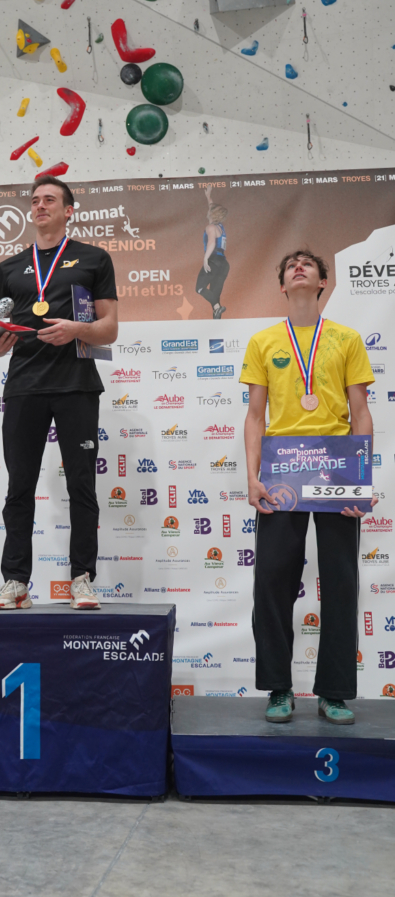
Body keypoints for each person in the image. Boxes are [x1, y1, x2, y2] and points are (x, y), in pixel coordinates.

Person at [241, 250, 376, 724]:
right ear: (282, 284)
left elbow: (360, 413)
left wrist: (360, 481)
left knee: (340, 581)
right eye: (290, 265)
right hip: (282, 471)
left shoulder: (346, 338)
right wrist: (253, 477)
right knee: (272, 580)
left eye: (307, 264)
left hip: (337, 470)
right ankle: (279, 687)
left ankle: (334, 692)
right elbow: (255, 416)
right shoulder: (263, 341)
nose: (298, 267)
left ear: (322, 281)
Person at [0, 175, 118, 611]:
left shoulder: (94, 259)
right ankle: (15, 582)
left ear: (68, 210)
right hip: (24, 385)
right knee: (18, 487)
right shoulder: (8, 268)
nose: (40, 206)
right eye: (35, 200)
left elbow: (109, 328)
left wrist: (77, 329)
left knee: (81, 485)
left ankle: (82, 578)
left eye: (49, 200)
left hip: (76, 384)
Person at [195, 184, 229, 319]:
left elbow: (211, 243)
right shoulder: (220, 226)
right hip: (223, 264)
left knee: (200, 288)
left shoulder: (210, 227)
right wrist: (208, 196)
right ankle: (217, 316)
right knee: (215, 294)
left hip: (213, 260)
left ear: (212, 214)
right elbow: (212, 207)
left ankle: (217, 308)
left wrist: (205, 259)